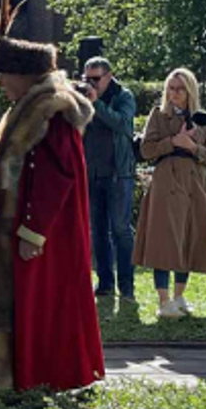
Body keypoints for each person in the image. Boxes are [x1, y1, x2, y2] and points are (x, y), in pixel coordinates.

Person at [0, 0, 104, 393]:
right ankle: (16, 379)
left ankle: (39, 377)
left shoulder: (50, 113)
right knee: (23, 306)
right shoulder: (25, 108)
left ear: (23, 75)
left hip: (40, 238)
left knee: (41, 306)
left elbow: (56, 176)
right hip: (17, 230)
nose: (0, 83)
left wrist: (33, 231)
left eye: (3, 74)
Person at [132, 68, 206, 319]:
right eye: (171, 88)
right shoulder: (158, 115)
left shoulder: (203, 119)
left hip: (195, 183)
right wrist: (173, 141)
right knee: (163, 239)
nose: (174, 93)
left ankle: (179, 296)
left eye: (180, 88)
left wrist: (193, 147)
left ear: (190, 90)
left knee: (188, 236)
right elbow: (146, 150)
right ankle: (163, 301)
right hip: (167, 182)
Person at [80, 56, 138, 300]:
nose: (91, 83)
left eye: (96, 78)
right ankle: (104, 283)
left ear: (109, 76)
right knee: (98, 230)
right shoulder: (83, 97)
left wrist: (96, 104)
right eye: (87, 78)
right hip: (92, 173)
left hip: (118, 174)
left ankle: (126, 285)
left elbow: (123, 124)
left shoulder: (123, 96)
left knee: (120, 229)